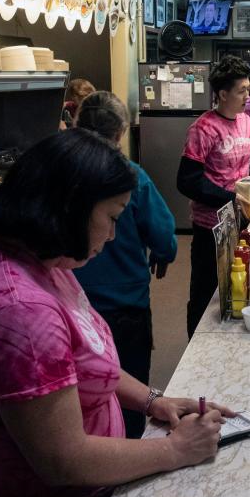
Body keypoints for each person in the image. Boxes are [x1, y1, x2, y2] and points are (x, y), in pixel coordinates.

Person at [0, 130, 234, 497]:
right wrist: (176, 450)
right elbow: (63, 460)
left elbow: (80, 360)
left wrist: (152, 400)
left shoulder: (40, 260)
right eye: (111, 216)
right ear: (70, 208)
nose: (115, 233)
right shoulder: (18, 310)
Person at [73, 91, 178, 440]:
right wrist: (163, 253)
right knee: (131, 392)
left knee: (80, 399)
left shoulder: (63, 174)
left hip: (75, 306)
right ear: (119, 134)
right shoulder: (130, 176)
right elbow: (164, 234)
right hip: (125, 306)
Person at [177, 55, 250, 337]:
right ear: (223, 94)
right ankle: (194, 354)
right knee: (204, 293)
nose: (248, 95)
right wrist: (228, 198)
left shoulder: (245, 122)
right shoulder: (203, 128)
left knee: (237, 284)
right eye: (242, 90)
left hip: (242, 220)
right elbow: (187, 180)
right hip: (210, 226)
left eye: (249, 89)